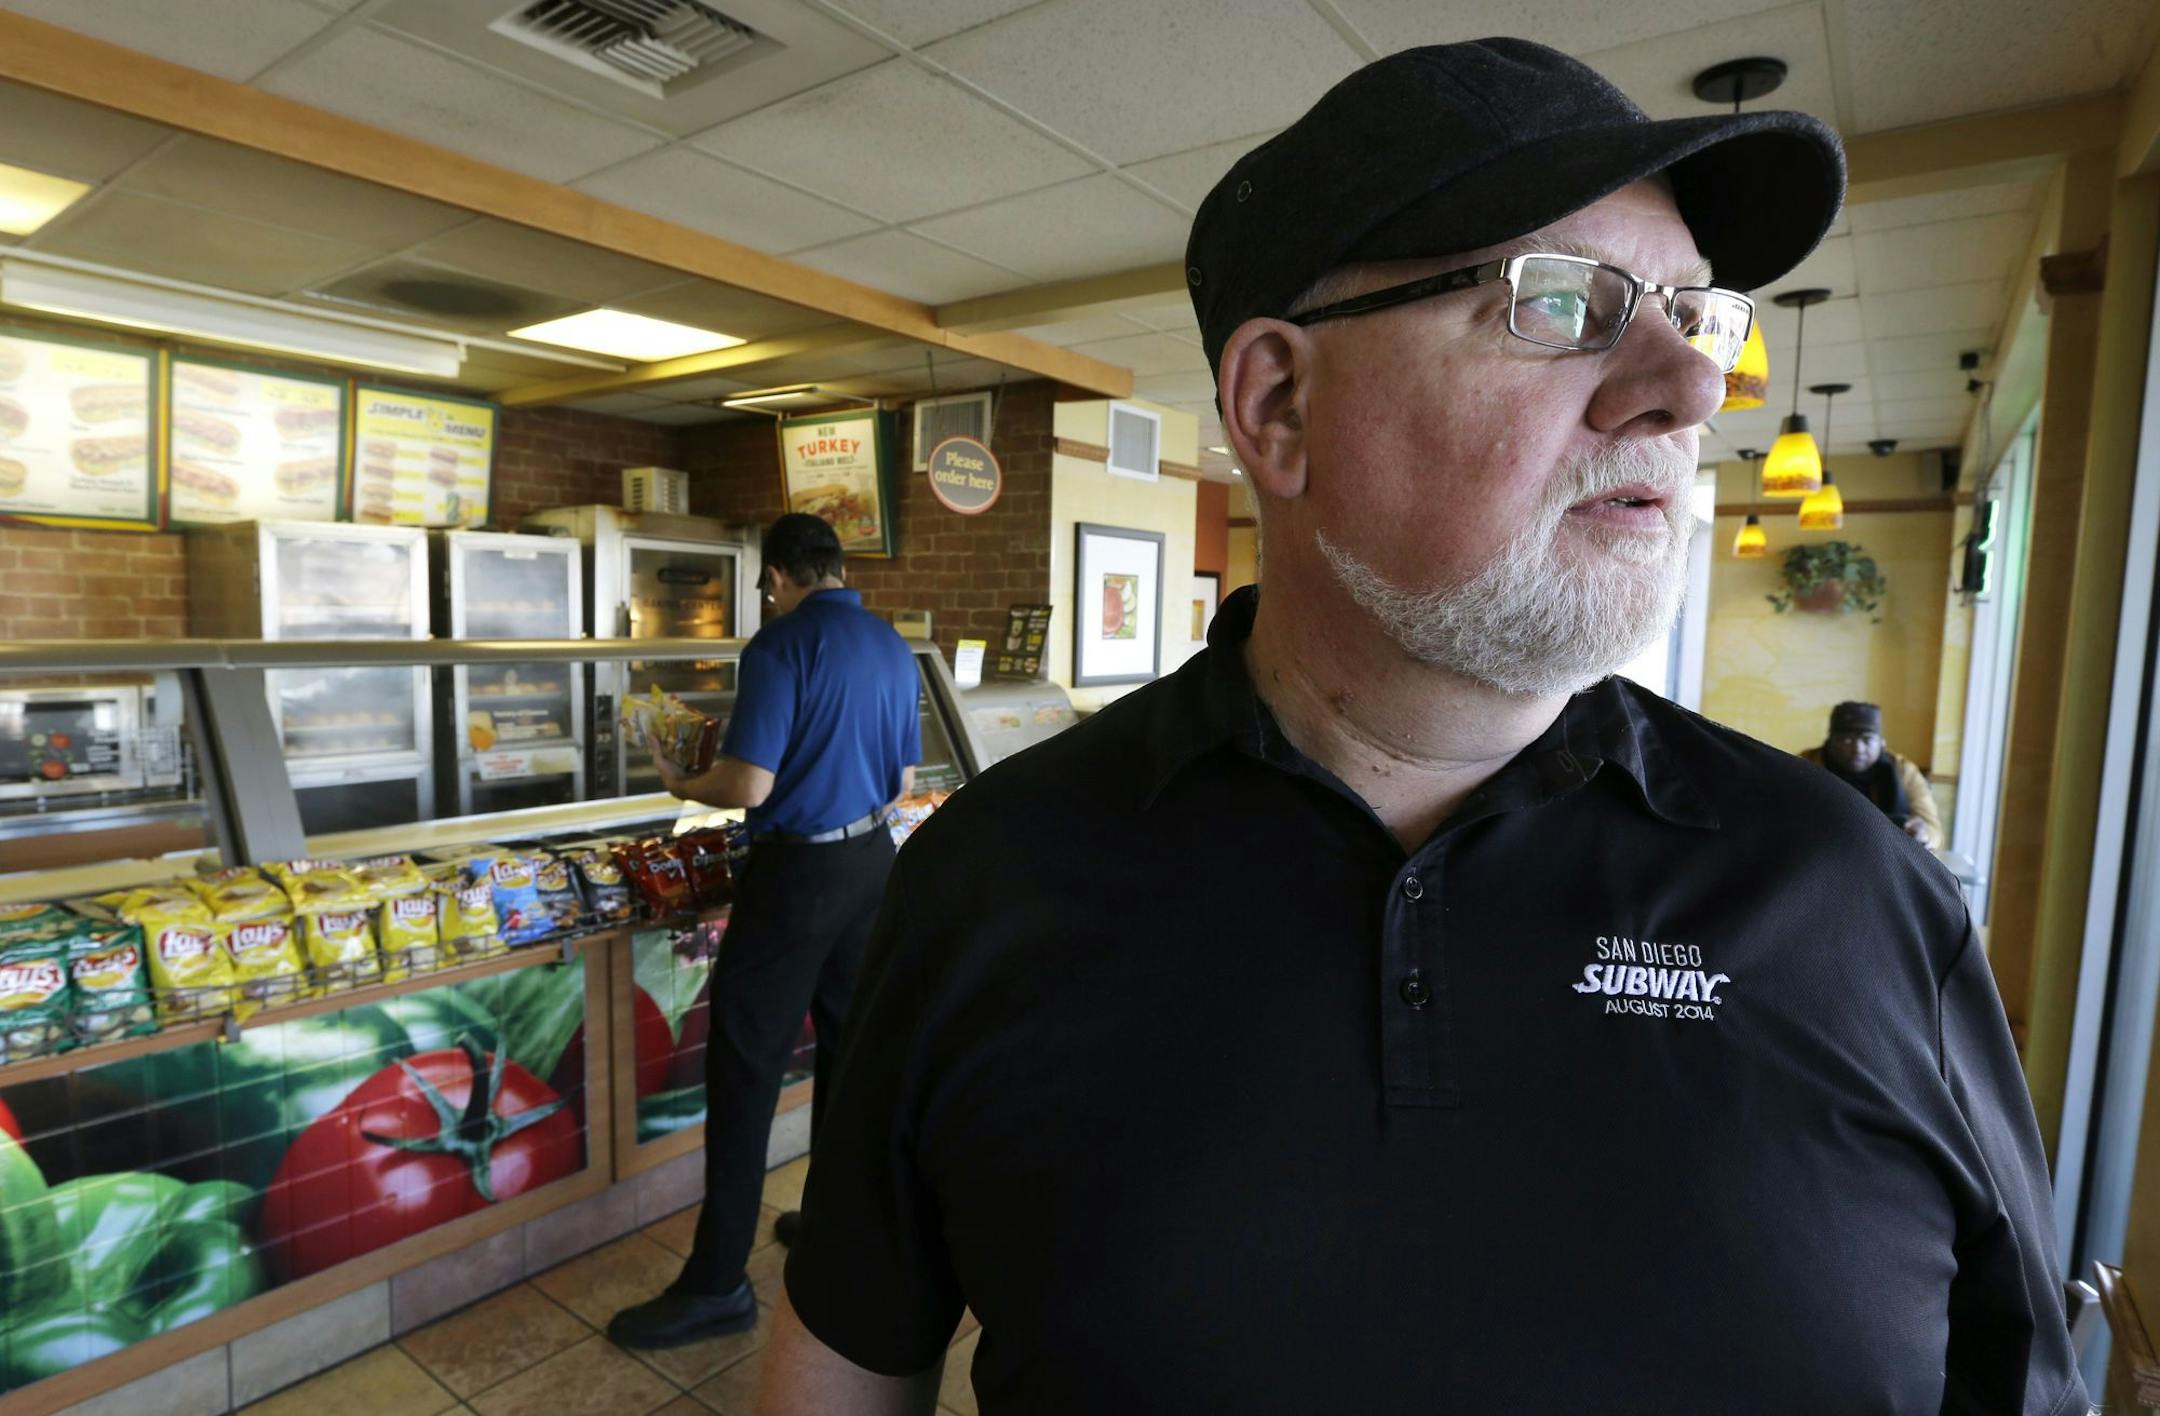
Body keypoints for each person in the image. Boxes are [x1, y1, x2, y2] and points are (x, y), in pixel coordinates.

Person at [760, 40, 2086, 1416]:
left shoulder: (1858, 895)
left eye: (1696, 317)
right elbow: (850, 1352)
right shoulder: (994, 876)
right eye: (1562, 301)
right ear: (1280, 407)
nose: (1693, 390)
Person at [606, 511, 919, 1351]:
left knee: (745, 1072)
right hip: (872, 866)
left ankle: (717, 1286)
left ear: (778, 576)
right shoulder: (891, 644)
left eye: (766, 587)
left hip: (798, 877)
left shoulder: (779, 645)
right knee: (849, 1056)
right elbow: (902, 780)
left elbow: (748, 785)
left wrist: (681, 782)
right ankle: (828, 1231)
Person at [1802, 700, 1945, 846]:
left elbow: (1934, 831)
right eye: (1847, 740)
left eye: (1868, 740)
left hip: (1885, 852)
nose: (1858, 749)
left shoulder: (1903, 770)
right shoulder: (1805, 765)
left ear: (1882, 743)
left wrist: (1923, 834)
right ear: (1830, 741)